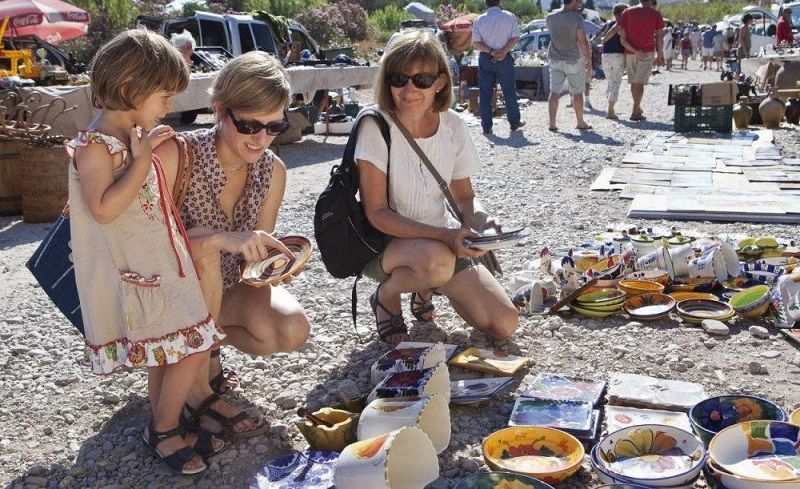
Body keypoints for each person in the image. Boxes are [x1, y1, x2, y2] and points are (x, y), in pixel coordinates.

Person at [66, 29, 225, 475]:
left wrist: (145, 148)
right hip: (138, 274)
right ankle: (164, 429)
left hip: (158, 265)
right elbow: (103, 209)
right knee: (193, 344)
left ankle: (161, 424)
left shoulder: (132, 137)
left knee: (170, 347)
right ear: (130, 90)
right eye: (162, 96)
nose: (168, 106)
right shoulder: (97, 147)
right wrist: (139, 159)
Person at [155, 51, 310, 438]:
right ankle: (196, 389)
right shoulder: (177, 154)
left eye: (274, 126)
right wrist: (221, 239)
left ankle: (202, 355)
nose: (261, 139)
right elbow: (149, 253)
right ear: (220, 110)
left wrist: (276, 265)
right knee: (206, 251)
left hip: (222, 290)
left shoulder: (271, 170)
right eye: (248, 125)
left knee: (291, 329)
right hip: (166, 296)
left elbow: (251, 267)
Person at [353, 31, 518, 346]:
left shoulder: (453, 125)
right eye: (398, 78)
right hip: (386, 245)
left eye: (422, 81)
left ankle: (426, 285)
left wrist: (483, 222)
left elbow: (466, 198)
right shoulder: (375, 125)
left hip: (441, 245)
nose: (408, 89)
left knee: (504, 324)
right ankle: (387, 294)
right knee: (438, 261)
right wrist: (447, 237)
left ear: (441, 83)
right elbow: (376, 213)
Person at [471, 0, 525, 135]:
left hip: (486, 58)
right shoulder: (509, 16)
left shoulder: (479, 20)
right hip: (504, 58)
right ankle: (514, 122)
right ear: (499, 2)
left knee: (485, 93)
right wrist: (503, 51)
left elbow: (477, 43)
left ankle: (486, 126)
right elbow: (515, 38)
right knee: (509, 91)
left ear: (485, 4)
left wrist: (491, 52)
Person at [607, 0, 665, 121]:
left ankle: (637, 108)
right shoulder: (655, 14)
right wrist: (660, 55)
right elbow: (659, 36)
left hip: (630, 52)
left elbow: (616, 27)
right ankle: (635, 111)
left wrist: (605, 38)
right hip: (646, 52)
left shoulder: (628, 11)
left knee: (634, 82)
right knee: (639, 83)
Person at [545, 0, 592, 131]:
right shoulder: (577, 18)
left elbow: (553, 36)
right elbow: (582, 41)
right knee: (577, 92)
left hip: (555, 59)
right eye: (579, 2)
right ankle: (580, 122)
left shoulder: (550, 17)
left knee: (554, 92)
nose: (580, 4)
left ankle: (552, 124)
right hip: (573, 60)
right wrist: (588, 59)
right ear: (574, 1)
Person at [599, 3, 628, 120]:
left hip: (605, 55)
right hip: (618, 55)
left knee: (611, 82)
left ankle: (610, 106)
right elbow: (624, 41)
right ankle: (610, 111)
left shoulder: (608, 24)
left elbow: (603, 38)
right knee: (615, 83)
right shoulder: (622, 26)